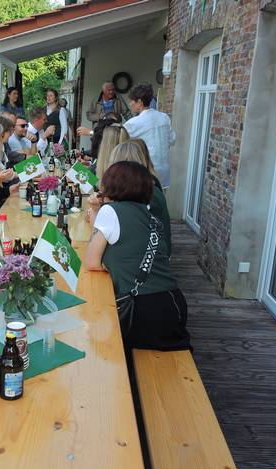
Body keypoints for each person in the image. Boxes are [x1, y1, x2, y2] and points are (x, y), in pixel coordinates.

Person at [84, 161, 190, 351]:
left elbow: (91, 262)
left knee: (98, 343)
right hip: (173, 305)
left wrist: (96, 219)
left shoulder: (110, 211)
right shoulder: (151, 217)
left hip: (141, 310)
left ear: (113, 185)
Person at [103, 139, 172, 255]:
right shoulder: (145, 186)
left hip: (153, 257)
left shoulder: (146, 193)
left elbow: (118, 232)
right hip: (151, 252)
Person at [124, 83, 176, 189]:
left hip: (146, 171)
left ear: (139, 102)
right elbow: (172, 140)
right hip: (163, 170)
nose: (130, 104)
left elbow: (118, 141)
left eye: (132, 101)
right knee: (160, 197)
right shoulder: (164, 117)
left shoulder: (133, 123)